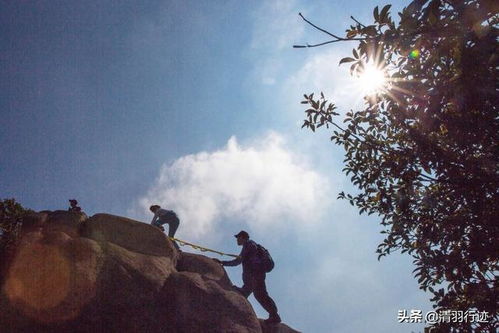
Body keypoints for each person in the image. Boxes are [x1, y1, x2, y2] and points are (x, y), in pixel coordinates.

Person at [214, 230, 281, 324]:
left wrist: (222, 263)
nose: (237, 240)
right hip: (254, 275)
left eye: (238, 237)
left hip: (255, 274)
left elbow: (238, 261)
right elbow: (240, 261)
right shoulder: (250, 245)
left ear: (242, 237)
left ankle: (274, 316)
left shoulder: (249, 244)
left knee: (260, 295)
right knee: (254, 294)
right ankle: (272, 315)